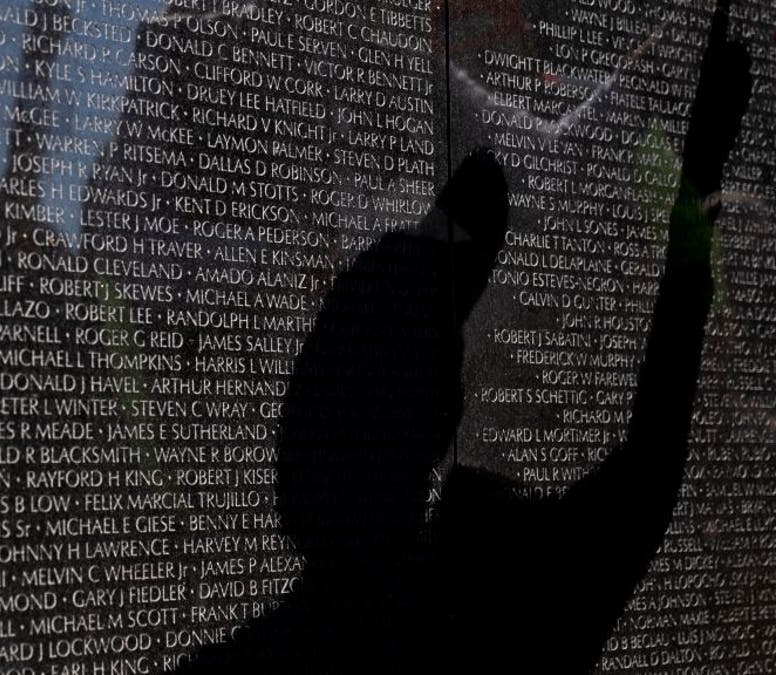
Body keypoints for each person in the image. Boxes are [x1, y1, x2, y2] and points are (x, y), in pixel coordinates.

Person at [176, 0, 752, 671]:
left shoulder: (274, 654)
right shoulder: (521, 601)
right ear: (446, 411)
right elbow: (653, 464)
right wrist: (700, 179)